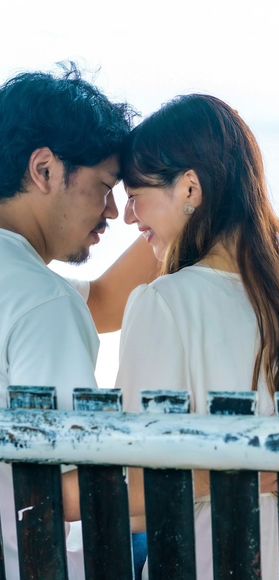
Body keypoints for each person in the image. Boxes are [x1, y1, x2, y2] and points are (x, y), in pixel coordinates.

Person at [110, 93, 279, 579]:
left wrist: (241, 469)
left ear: (190, 188)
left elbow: (133, 491)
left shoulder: (164, 304)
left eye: (136, 195)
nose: (130, 217)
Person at [0, 64, 138, 580]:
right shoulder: (43, 302)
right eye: (104, 186)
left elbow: (102, 300)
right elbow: (68, 488)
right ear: (44, 170)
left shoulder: (29, 290)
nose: (114, 211)